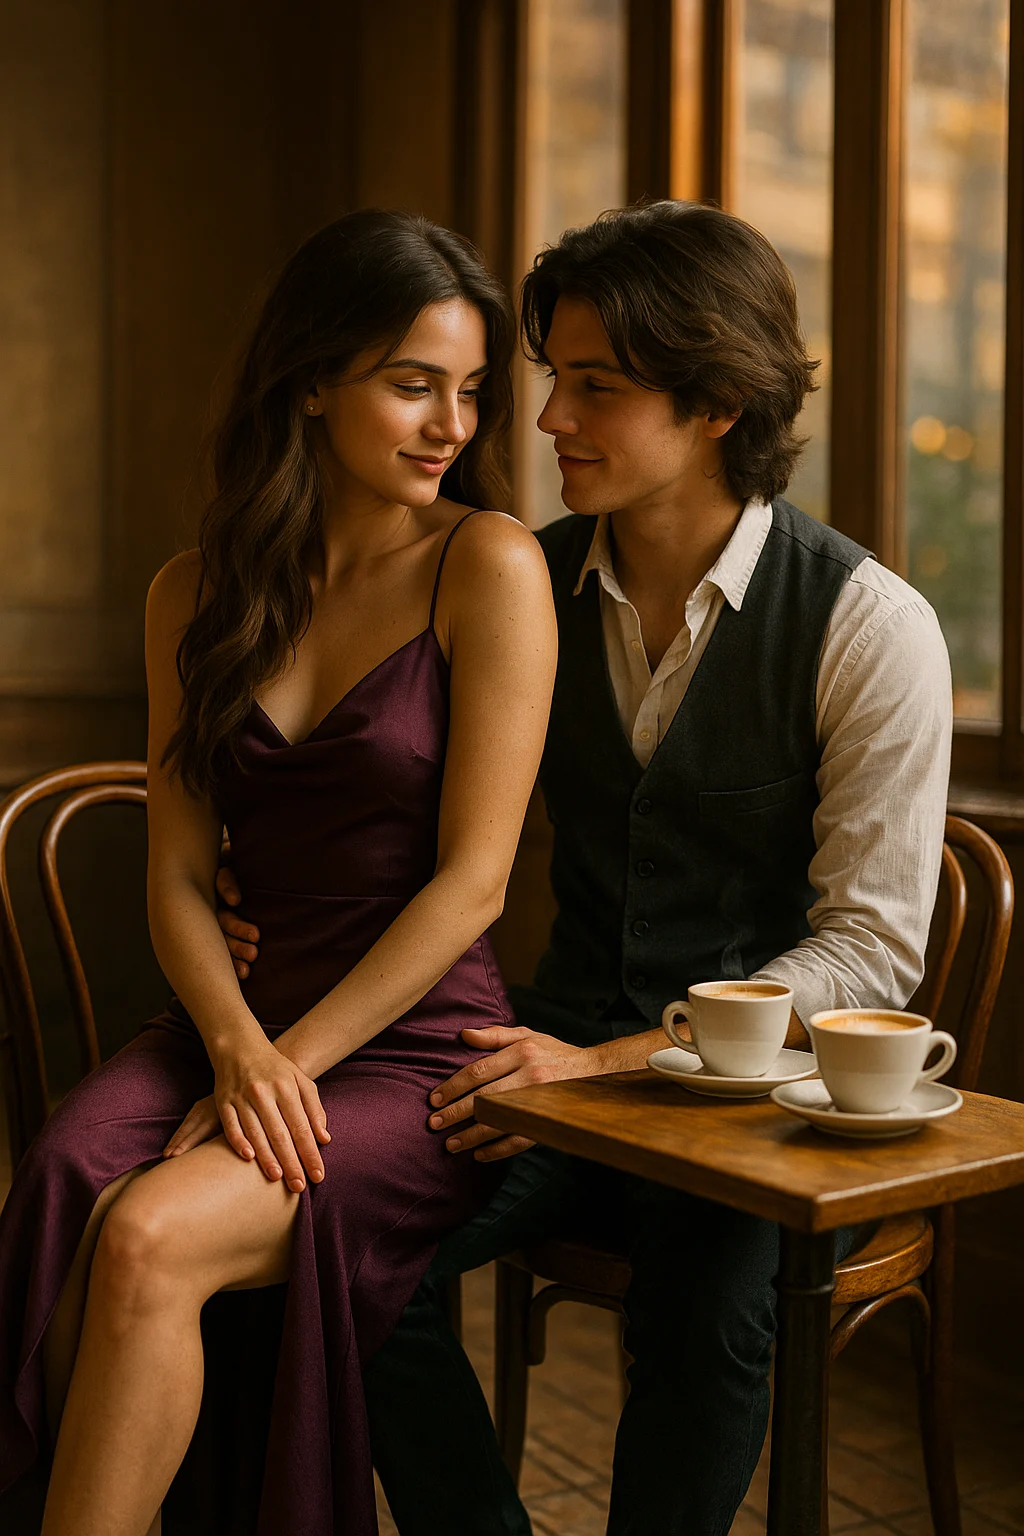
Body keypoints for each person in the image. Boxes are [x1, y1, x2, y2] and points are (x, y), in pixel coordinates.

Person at [218, 201, 953, 1535]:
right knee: (350, 1253)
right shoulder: (510, 580)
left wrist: (612, 1064)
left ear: (722, 402)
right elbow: (385, 805)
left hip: (756, 1114)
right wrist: (244, 878)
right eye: (553, 379)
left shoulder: (870, 624)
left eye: (596, 389)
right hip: (537, 1065)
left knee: (708, 1313)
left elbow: (869, 952)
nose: (546, 422)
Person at [0, 209, 557, 1536]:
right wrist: (239, 1047)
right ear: (312, 379)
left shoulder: (488, 565)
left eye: (471, 391)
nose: (451, 424)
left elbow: (472, 887)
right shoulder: (189, 591)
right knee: (67, 1177)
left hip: (417, 1051)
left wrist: (287, 1061)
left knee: (148, 1235)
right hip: (234, 1029)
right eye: (412, 383)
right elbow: (180, 875)